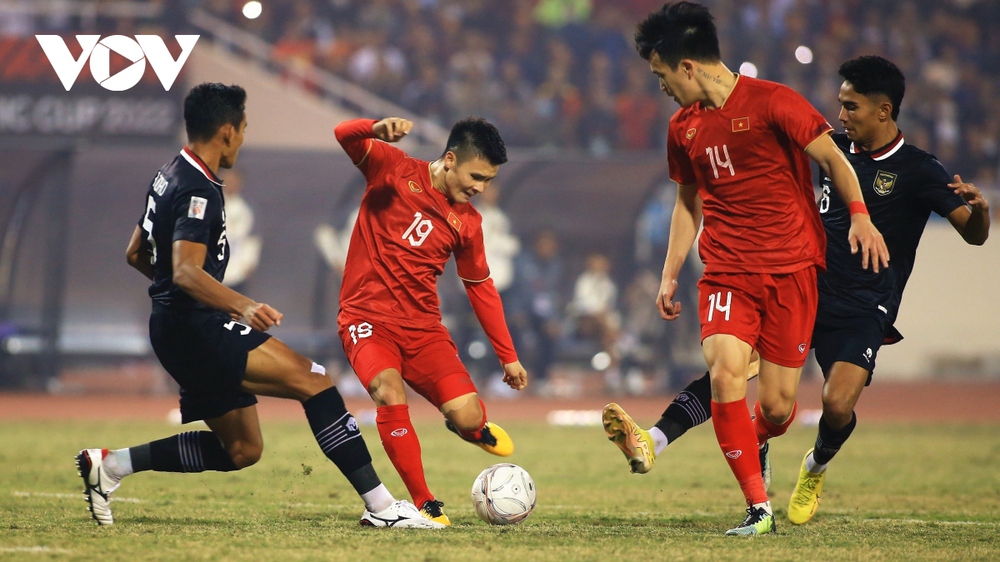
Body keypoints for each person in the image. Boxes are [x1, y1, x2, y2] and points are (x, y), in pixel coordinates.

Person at [76, 83, 441, 530]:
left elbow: (136, 252)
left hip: (178, 325)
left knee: (242, 451)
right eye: (244, 129)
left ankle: (110, 467)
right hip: (195, 327)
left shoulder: (169, 172)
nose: (244, 140)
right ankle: (383, 508)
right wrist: (240, 305)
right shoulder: (198, 188)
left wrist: (186, 295)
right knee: (316, 382)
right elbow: (188, 272)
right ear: (227, 131)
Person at [600, 2, 889, 536]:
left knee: (778, 409)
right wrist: (670, 272)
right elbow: (689, 202)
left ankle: (746, 438)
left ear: (686, 66)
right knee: (727, 370)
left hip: (793, 271)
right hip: (727, 271)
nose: (659, 86)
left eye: (660, 74)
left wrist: (860, 217)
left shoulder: (774, 102)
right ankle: (759, 509)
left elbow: (834, 159)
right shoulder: (682, 127)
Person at [786, 55, 990, 524]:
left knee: (836, 405)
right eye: (840, 104)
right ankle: (688, 442)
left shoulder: (919, 169)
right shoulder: (829, 149)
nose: (840, 115)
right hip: (808, 287)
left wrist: (980, 210)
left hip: (865, 303)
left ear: (883, 111)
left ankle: (815, 466)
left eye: (850, 106)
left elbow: (975, 234)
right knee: (748, 375)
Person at [334, 115, 528, 526]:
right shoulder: (392, 167)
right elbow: (342, 134)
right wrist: (373, 127)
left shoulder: (469, 224)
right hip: (366, 318)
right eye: (476, 176)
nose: (480, 188)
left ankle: (470, 430)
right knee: (388, 391)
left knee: (470, 414)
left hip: (423, 330)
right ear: (450, 159)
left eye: (489, 181)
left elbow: (480, 287)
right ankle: (425, 502)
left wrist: (507, 356)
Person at [218, 168, 261, 295]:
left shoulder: (246, 209)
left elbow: (252, 238)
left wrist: (250, 262)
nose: (230, 184)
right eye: (227, 180)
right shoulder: (210, 204)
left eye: (234, 180)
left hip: (236, 271)